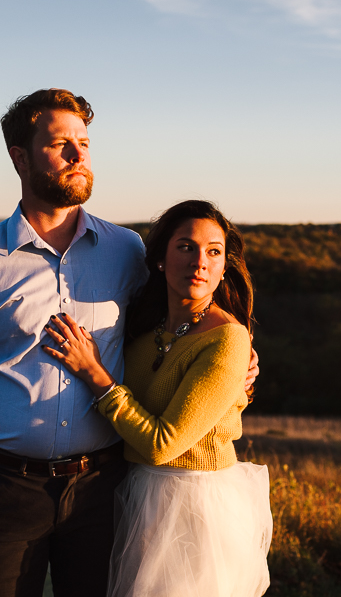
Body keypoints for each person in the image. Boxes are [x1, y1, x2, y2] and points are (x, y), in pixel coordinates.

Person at [0, 89, 258, 596]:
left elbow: (175, 322)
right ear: (20, 157)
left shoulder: (126, 250)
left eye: (85, 142)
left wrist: (237, 365)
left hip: (106, 487)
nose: (79, 156)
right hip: (7, 487)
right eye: (60, 144)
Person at [43, 199, 272, 597]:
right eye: (186, 246)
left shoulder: (228, 339)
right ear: (162, 259)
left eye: (213, 252)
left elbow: (162, 445)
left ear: (223, 267)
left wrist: (96, 375)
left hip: (194, 508)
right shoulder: (146, 329)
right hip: (134, 495)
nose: (199, 261)